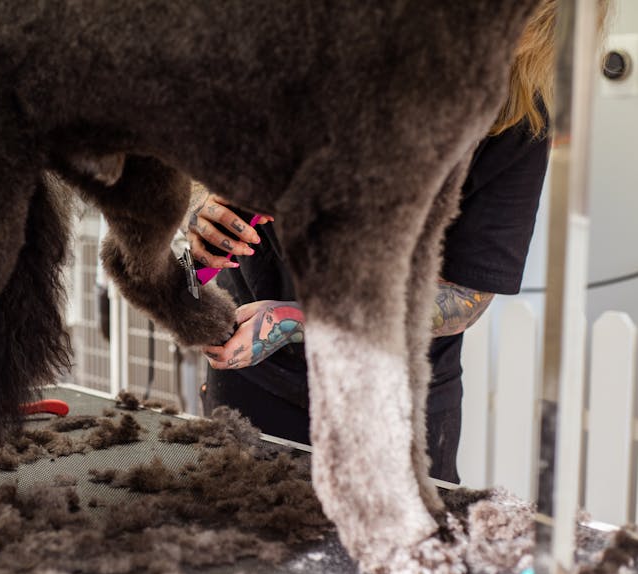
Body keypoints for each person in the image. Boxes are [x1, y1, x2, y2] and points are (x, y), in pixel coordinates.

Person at [186, 0, 567, 484]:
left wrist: (292, 320)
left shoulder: (516, 122)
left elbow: (465, 296)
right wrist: (200, 210)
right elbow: (194, 165)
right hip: (251, 384)